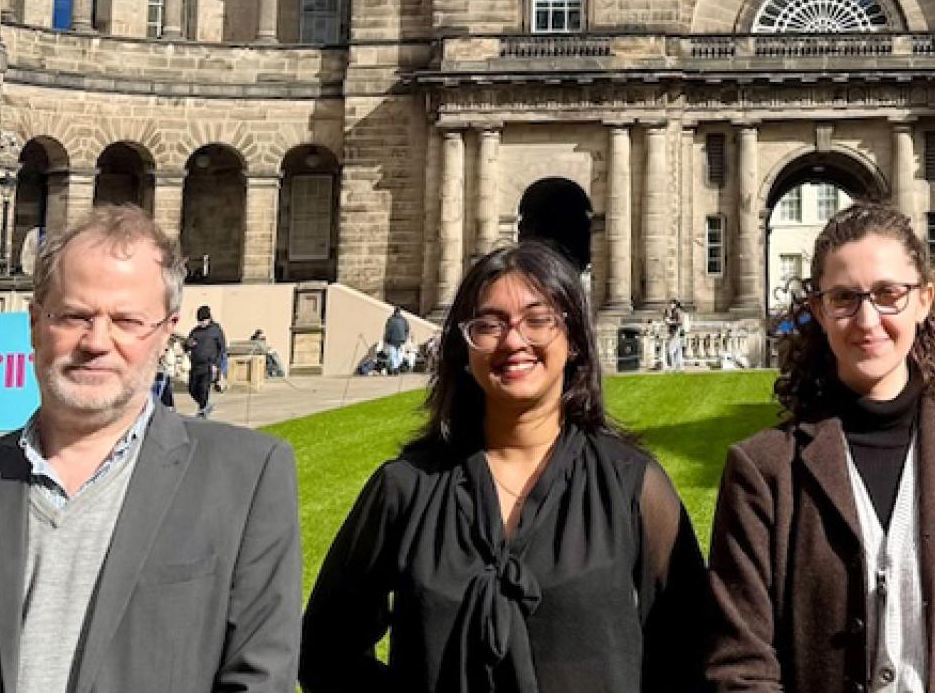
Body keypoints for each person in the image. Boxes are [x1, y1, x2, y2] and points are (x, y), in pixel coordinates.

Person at [0, 205, 301, 693]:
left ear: (165, 331)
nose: (97, 341)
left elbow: (260, 676)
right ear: (36, 323)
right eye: (75, 316)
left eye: (126, 320)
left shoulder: (246, 477)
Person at [300, 238, 706, 692]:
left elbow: (689, 654)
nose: (514, 341)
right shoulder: (405, 488)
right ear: (466, 348)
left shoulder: (633, 486)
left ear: (573, 341)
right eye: (489, 325)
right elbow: (325, 650)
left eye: (538, 319)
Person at [705, 203, 935, 693]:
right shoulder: (763, 471)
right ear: (820, 311)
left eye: (889, 294)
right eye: (844, 298)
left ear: (924, 300)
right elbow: (741, 668)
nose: (868, 319)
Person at [186, 304, 227, 418]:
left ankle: (202, 411)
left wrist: (217, 365)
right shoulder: (195, 331)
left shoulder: (216, 330)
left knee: (204, 389)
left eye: (203, 320)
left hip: (209, 365)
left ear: (209, 319)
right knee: (192, 389)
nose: (202, 323)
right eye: (199, 321)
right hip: (195, 365)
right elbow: (187, 345)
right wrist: (188, 344)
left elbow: (222, 348)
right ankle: (205, 406)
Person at [383, 305, 411, 374]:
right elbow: (407, 329)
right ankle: (396, 367)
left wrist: (386, 339)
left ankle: (395, 368)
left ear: (394, 311)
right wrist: (405, 337)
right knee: (399, 355)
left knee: (393, 355)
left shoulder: (390, 319)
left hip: (392, 340)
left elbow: (388, 330)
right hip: (401, 340)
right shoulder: (404, 320)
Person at [662, 298, 686, 372]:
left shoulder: (678, 311)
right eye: (670, 304)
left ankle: (673, 366)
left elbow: (680, 322)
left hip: (676, 332)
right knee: (677, 350)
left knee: (671, 350)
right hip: (675, 332)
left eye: (672, 304)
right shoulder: (674, 311)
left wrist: (670, 322)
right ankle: (679, 367)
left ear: (675, 304)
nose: (670, 305)